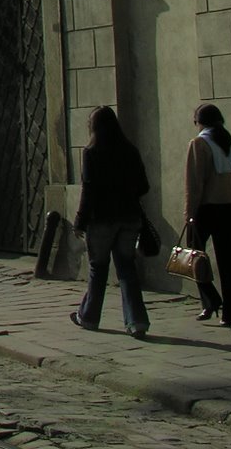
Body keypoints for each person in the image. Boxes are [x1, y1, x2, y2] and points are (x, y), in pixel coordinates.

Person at [71, 106, 151, 338]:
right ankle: (137, 321)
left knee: (98, 268)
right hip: (129, 217)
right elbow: (144, 186)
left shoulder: (92, 152)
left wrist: (80, 220)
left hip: (101, 219)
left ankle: (89, 316)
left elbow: (88, 190)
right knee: (127, 268)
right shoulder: (130, 150)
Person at [185, 102, 231, 323]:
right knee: (228, 261)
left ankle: (210, 299)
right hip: (229, 205)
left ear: (199, 122)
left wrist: (189, 213)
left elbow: (194, 183)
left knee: (193, 255)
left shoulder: (199, 143)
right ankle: (229, 314)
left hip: (206, 207)